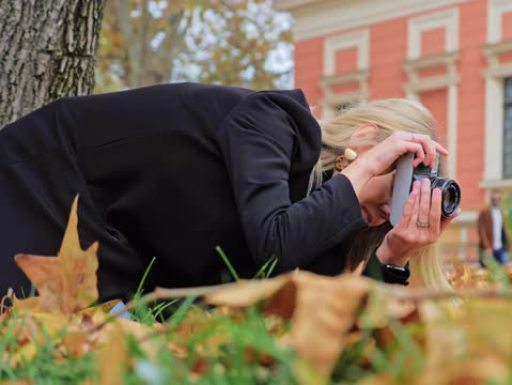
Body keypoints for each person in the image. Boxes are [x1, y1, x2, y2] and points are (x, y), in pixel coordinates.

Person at [0, 83, 458, 301]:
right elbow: (273, 246)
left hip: (108, 250)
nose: (388, 209)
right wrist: (360, 178)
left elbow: (328, 316)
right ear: (365, 140)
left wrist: (393, 256)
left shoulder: (327, 220)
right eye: (397, 180)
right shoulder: (272, 122)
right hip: (45, 182)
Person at [476, 189, 509, 267]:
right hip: (489, 248)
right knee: (488, 271)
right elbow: (481, 230)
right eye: (494, 199)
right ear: (491, 200)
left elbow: (502, 231)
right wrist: (487, 247)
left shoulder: (500, 212)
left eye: (498, 199)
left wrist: (506, 245)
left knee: (505, 269)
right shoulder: (485, 212)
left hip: (500, 247)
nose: (496, 201)